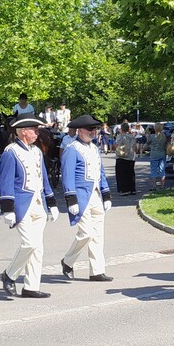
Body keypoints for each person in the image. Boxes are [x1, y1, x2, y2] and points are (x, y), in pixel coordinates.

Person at [0, 113, 60, 298]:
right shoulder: (10, 152)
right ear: (23, 131)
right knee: (29, 244)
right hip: (21, 205)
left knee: (38, 247)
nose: (37, 133)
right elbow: (6, 182)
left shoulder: (36, 151)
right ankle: (9, 274)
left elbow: (44, 179)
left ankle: (31, 286)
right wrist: (7, 208)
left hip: (39, 203)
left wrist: (52, 203)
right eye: (34, 129)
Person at [60, 115, 114, 282]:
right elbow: (67, 176)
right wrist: (71, 199)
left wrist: (106, 194)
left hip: (96, 195)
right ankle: (67, 261)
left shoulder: (95, 148)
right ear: (80, 130)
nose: (93, 132)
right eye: (90, 129)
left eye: (95, 129)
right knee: (87, 233)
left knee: (98, 234)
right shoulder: (72, 148)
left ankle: (97, 270)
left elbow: (101, 173)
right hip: (81, 197)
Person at [114, 121, 138, 195]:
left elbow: (115, 145)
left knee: (121, 174)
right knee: (130, 173)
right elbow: (135, 147)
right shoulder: (132, 137)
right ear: (128, 129)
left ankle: (124, 190)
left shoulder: (120, 136)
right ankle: (132, 189)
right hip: (130, 157)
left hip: (121, 157)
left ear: (121, 129)